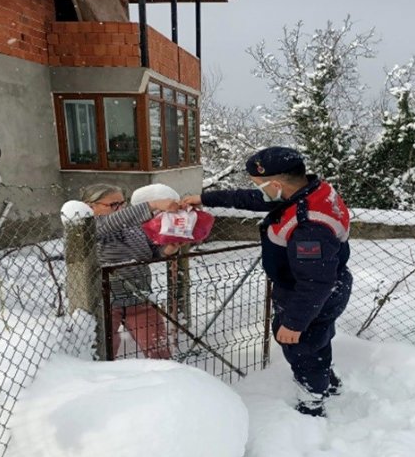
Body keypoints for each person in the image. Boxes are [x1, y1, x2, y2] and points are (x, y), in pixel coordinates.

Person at [181, 147, 352, 417]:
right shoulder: (307, 190)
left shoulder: (309, 225)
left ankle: (312, 403)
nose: (258, 192)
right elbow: (253, 199)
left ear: (276, 184)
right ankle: (327, 381)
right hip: (321, 290)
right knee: (317, 340)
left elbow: (315, 280)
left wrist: (294, 323)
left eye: (260, 186)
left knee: (302, 349)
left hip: (312, 293)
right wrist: (203, 198)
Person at [81, 183, 180, 360]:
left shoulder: (134, 227)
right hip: (105, 303)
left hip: (139, 297)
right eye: (113, 205)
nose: (120, 209)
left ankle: (165, 383)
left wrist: (168, 249)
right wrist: (153, 205)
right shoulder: (89, 227)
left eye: (122, 203)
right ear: (90, 207)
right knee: (103, 355)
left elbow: (152, 252)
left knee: (158, 351)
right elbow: (110, 223)